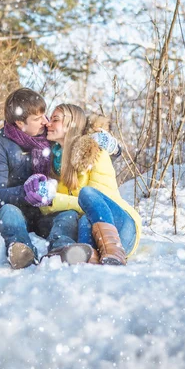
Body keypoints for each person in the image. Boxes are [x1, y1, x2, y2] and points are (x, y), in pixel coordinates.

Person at [0, 88, 92, 270]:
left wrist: (110, 146)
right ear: (19, 122)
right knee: (9, 213)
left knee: (67, 215)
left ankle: (61, 249)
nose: (45, 122)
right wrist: (24, 193)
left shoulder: (50, 138)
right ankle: (22, 251)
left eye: (44, 115)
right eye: (37, 119)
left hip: (44, 213)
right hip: (14, 214)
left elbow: (79, 141)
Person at [34, 104, 142, 265]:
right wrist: (43, 197)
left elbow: (99, 199)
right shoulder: (51, 164)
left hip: (120, 227)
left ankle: (113, 251)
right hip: (90, 231)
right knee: (70, 217)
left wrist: (55, 199)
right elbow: (48, 205)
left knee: (87, 194)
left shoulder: (95, 152)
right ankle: (73, 254)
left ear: (71, 124)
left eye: (55, 119)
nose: (49, 123)